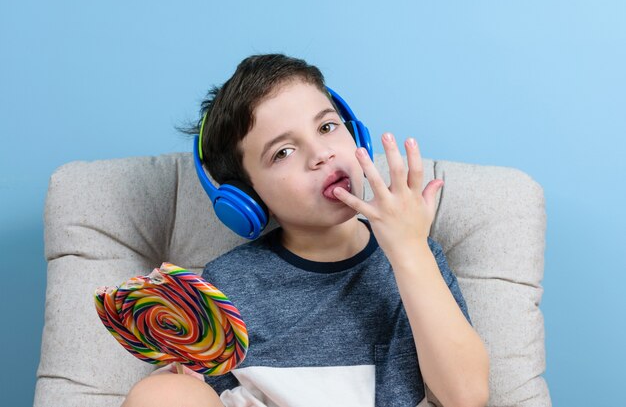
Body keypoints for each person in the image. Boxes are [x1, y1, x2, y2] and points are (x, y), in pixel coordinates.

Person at [122, 53, 489, 407]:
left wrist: (410, 251)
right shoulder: (229, 282)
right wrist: (180, 379)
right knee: (161, 392)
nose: (320, 154)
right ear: (246, 199)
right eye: (282, 152)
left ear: (357, 136)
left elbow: (466, 396)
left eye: (327, 127)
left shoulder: (419, 255)